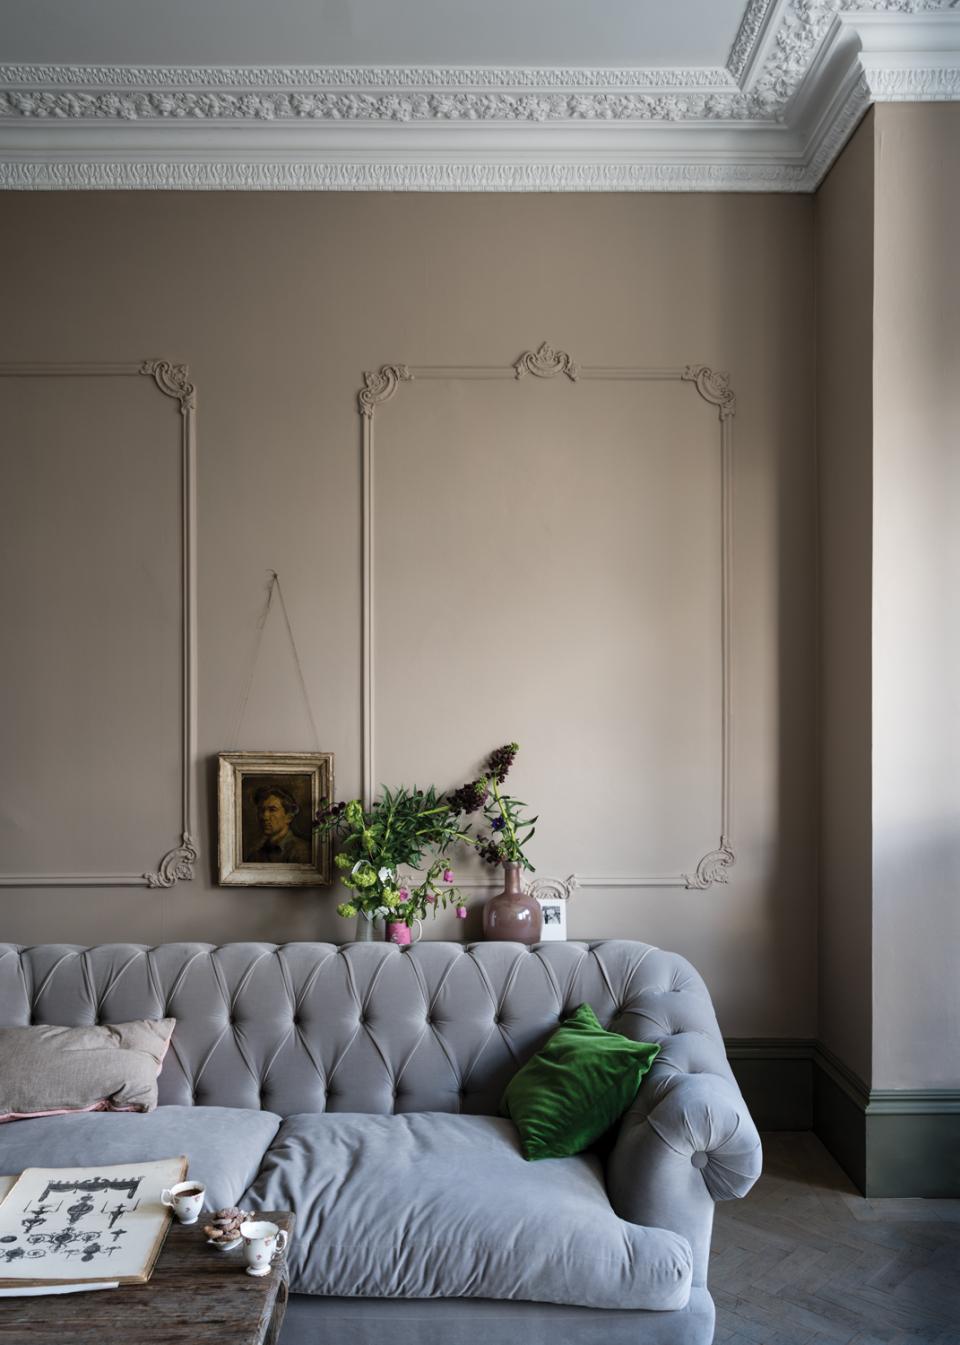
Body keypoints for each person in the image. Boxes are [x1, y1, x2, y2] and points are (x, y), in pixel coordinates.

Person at [245, 784, 311, 864]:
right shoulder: (255, 855)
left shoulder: (302, 851)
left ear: (289, 817)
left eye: (272, 810)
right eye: (261, 810)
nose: (264, 817)